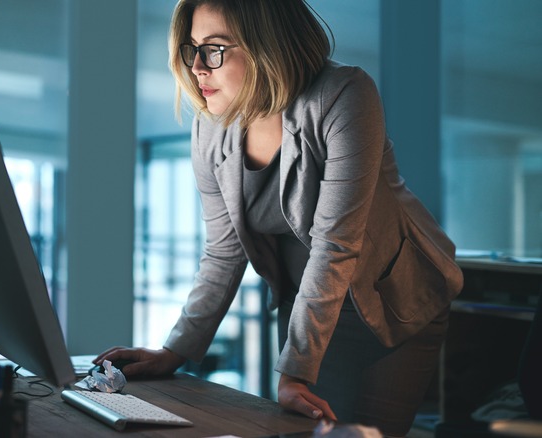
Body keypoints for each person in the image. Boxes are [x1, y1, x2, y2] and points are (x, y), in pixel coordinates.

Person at [95, 0, 464, 435]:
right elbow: (223, 252)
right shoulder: (211, 128)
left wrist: (296, 373)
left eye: (213, 48)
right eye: (191, 48)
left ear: (266, 45)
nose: (197, 66)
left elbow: (335, 245)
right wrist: (174, 351)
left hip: (396, 296)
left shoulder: (345, 94)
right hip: (305, 302)